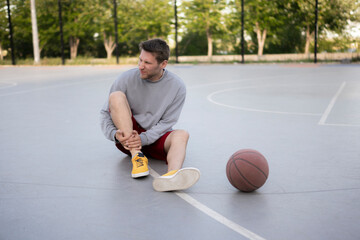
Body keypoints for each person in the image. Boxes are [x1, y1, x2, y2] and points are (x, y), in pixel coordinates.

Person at [100, 38, 200, 192]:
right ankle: (137, 158)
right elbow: (105, 113)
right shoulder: (125, 79)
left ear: (163, 64)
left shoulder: (177, 86)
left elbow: (168, 121)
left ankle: (172, 176)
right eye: (140, 60)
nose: (141, 66)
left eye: (147, 63)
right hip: (127, 138)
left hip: (154, 137)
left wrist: (144, 138)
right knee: (116, 96)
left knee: (182, 135)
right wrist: (114, 135)